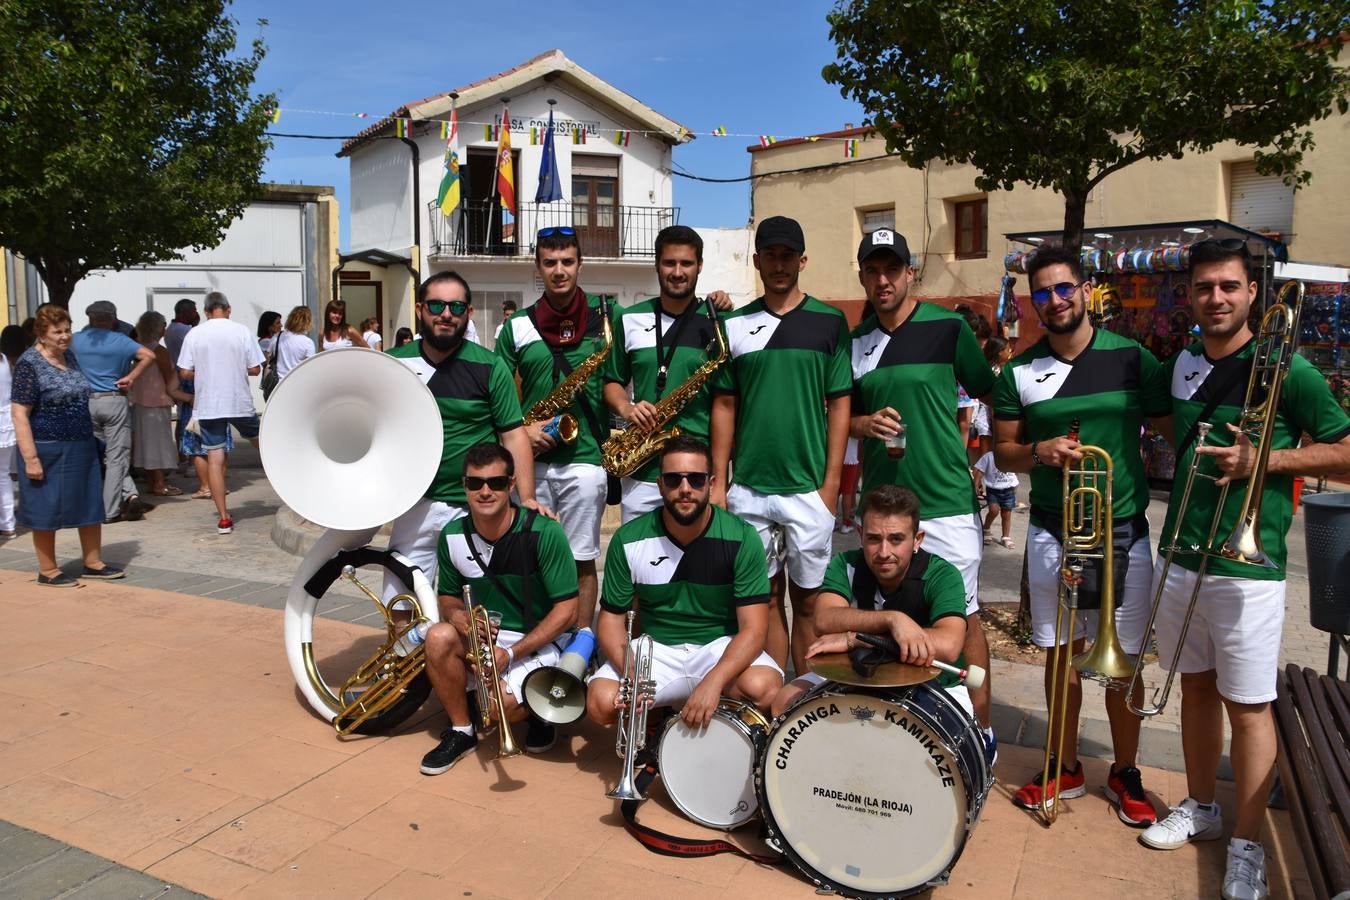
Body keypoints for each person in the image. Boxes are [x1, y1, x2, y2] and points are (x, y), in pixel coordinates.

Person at [1139, 239, 1350, 900]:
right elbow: (1177, 434)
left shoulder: (1290, 369)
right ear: (1192, 294)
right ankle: (1201, 807)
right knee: (1197, 691)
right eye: (1204, 287)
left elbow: (1343, 452)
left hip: (1248, 571)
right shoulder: (1182, 365)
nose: (1217, 298)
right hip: (1181, 557)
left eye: (1229, 286)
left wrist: (1264, 461)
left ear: (1252, 291)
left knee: (1250, 708)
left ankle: (1249, 844)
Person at [992, 243, 1172, 826]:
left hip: (1122, 530)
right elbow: (1005, 451)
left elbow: (1172, 426)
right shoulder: (1019, 370)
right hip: (1051, 530)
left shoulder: (1132, 359)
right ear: (1033, 302)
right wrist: (1038, 452)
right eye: (1042, 292)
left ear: (1085, 288)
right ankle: (1063, 763)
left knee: (1125, 661)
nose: (1054, 299)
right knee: (1061, 655)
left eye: (1064, 287)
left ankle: (1124, 770)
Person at [848, 229, 997, 742]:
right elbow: (836, 417)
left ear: (910, 272)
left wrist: (1014, 454)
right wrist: (862, 425)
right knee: (894, 614)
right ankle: (914, 729)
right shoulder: (856, 341)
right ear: (862, 275)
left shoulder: (948, 327)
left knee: (964, 617)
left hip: (945, 502)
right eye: (873, 269)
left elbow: (992, 391)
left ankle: (981, 731)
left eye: (893, 269)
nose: (883, 279)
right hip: (886, 510)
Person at [710, 216, 851, 675]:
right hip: (749, 486)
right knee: (764, 599)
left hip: (809, 489)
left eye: (787, 255)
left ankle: (809, 694)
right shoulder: (734, 324)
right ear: (757, 261)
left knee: (809, 603)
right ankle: (775, 700)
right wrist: (719, 481)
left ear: (802, 260)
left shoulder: (830, 322)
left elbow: (840, 406)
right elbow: (726, 405)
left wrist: (831, 486)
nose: (779, 264)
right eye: (770, 255)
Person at [587, 436, 782, 732]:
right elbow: (611, 621)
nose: (685, 488)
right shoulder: (628, 539)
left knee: (763, 687)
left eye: (696, 479)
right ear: (660, 484)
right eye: (674, 479)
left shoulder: (742, 538)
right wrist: (632, 672)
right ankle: (659, 716)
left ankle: (709, 721)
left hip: (718, 647)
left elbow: (755, 630)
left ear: (712, 483)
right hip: (658, 649)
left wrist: (712, 683)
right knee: (602, 702)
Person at [418, 443, 580, 773]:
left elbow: (567, 611)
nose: (485, 491)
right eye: (475, 483)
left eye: (496, 482)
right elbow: (447, 598)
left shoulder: (544, 532)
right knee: (437, 636)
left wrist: (514, 652)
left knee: (498, 709)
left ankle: (534, 712)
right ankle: (461, 731)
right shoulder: (451, 535)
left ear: (511, 484)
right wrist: (457, 615)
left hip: (536, 638)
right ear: (464, 487)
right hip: (487, 636)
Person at [383, 271, 541, 606]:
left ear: (468, 313)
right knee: (401, 605)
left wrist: (525, 499)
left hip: (474, 508)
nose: (446, 314)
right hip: (414, 505)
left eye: (456, 307)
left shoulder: (490, 366)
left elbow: (513, 435)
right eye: (436, 305)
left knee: (476, 610)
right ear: (420, 309)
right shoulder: (393, 364)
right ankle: (404, 657)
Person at [497, 227, 619, 630]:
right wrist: (522, 433)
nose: (560, 271)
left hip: (585, 460)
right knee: (529, 557)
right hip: (529, 460)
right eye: (550, 263)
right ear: (538, 268)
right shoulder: (515, 327)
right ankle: (538, 639)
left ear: (580, 264)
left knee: (582, 558)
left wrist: (718, 303)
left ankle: (580, 648)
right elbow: (499, 397)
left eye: (567, 261)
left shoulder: (608, 318)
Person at [771, 484, 972, 718]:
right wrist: (893, 620)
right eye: (874, 539)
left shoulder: (942, 575)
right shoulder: (846, 564)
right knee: (784, 703)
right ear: (860, 535)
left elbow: (949, 645)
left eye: (896, 539)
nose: (884, 552)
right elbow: (824, 619)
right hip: (855, 675)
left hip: (934, 684)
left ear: (917, 540)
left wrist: (857, 639)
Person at [604, 225, 726, 523]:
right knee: (639, 561)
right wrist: (627, 408)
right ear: (657, 265)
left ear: (699, 266)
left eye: (686, 263)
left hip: (696, 474)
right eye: (669, 262)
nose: (678, 271)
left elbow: (726, 403)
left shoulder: (717, 323)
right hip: (643, 467)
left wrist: (719, 479)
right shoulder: (630, 318)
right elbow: (612, 382)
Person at [10, 304, 124, 585]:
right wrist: (30, 458)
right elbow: (19, 413)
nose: (64, 336)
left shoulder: (69, 356)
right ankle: (48, 571)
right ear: (41, 334)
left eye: (67, 330)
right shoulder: (29, 364)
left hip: (80, 445)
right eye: (57, 332)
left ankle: (93, 563)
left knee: (89, 504)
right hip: (46, 447)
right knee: (45, 507)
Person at [177, 291, 264, 535]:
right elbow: (255, 369)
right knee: (265, 447)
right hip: (238, 401)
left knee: (214, 459)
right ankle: (296, 494)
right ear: (228, 308)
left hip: (209, 404)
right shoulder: (242, 331)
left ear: (206, 311)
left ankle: (224, 518)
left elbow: (184, 371)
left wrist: (205, 373)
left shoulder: (195, 334)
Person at [71, 300, 155, 524]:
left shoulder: (76, 340)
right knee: (117, 457)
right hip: (114, 400)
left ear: (90, 318)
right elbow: (149, 355)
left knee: (100, 456)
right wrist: (131, 377)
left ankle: (130, 493)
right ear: (113, 318)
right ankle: (110, 510)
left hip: (86, 402)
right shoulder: (121, 340)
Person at [129, 311, 189, 497]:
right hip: (157, 400)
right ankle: (159, 483)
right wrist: (177, 395)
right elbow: (167, 376)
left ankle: (152, 481)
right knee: (157, 443)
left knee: (145, 442)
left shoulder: (136, 348)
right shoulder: (159, 350)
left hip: (139, 399)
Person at [165, 298, 199, 457]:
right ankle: (189, 455)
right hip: (188, 376)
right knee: (189, 418)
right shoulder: (184, 330)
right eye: (193, 310)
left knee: (181, 418)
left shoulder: (171, 329)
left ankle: (183, 456)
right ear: (185, 312)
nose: (196, 313)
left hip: (178, 374)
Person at [0, 325, 23, 538]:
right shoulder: (5, 360)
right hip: (5, 423)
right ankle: (7, 523)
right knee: (3, 475)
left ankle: (7, 523)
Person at [973, 448, 1017, 549]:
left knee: (1007, 514)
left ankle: (1005, 537)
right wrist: (976, 483)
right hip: (993, 490)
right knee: (994, 511)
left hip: (1009, 489)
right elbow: (980, 470)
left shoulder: (1012, 453)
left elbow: (1018, 468)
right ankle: (986, 528)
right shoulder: (989, 456)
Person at [274, 306, 316, 380]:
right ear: (308, 321)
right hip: (297, 384)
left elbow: (267, 357)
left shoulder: (278, 336)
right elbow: (310, 368)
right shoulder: (308, 343)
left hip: (278, 384)